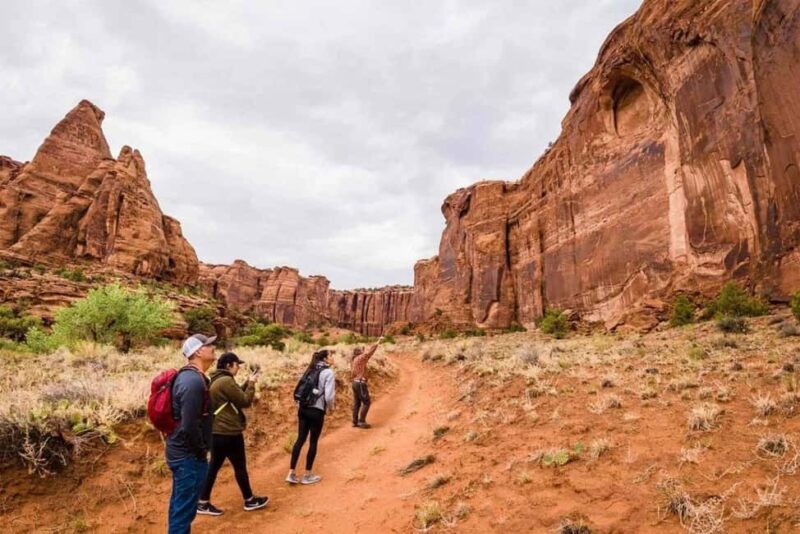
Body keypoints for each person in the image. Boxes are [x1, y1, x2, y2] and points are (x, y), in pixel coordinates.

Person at [197, 352, 269, 516]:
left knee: (213, 467)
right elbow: (244, 401)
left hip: (217, 431)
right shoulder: (226, 380)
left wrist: (247, 382)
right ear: (229, 365)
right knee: (239, 466)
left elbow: (234, 396)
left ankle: (203, 502)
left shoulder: (217, 379)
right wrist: (251, 383)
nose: (238, 368)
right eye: (237, 365)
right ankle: (249, 500)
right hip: (229, 432)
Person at [166, 333, 217, 534]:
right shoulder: (192, 381)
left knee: (181, 507)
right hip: (188, 456)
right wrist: (201, 451)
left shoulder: (192, 377)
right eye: (208, 345)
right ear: (197, 352)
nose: (213, 347)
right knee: (184, 511)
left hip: (183, 453)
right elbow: (189, 425)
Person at [286, 349, 336, 485]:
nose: (333, 358)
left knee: (300, 439)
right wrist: (331, 408)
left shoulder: (310, 368)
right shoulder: (328, 372)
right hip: (316, 410)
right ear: (325, 359)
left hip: (302, 408)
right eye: (331, 356)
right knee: (313, 442)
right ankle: (307, 475)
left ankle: (291, 473)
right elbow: (329, 396)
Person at [351, 336, 384, 429]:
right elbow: (370, 352)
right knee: (366, 402)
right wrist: (378, 341)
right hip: (360, 383)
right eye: (362, 350)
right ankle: (361, 421)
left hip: (355, 383)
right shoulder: (360, 358)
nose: (363, 351)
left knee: (357, 403)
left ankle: (355, 421)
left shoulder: (354, 360)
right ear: (359, 352)